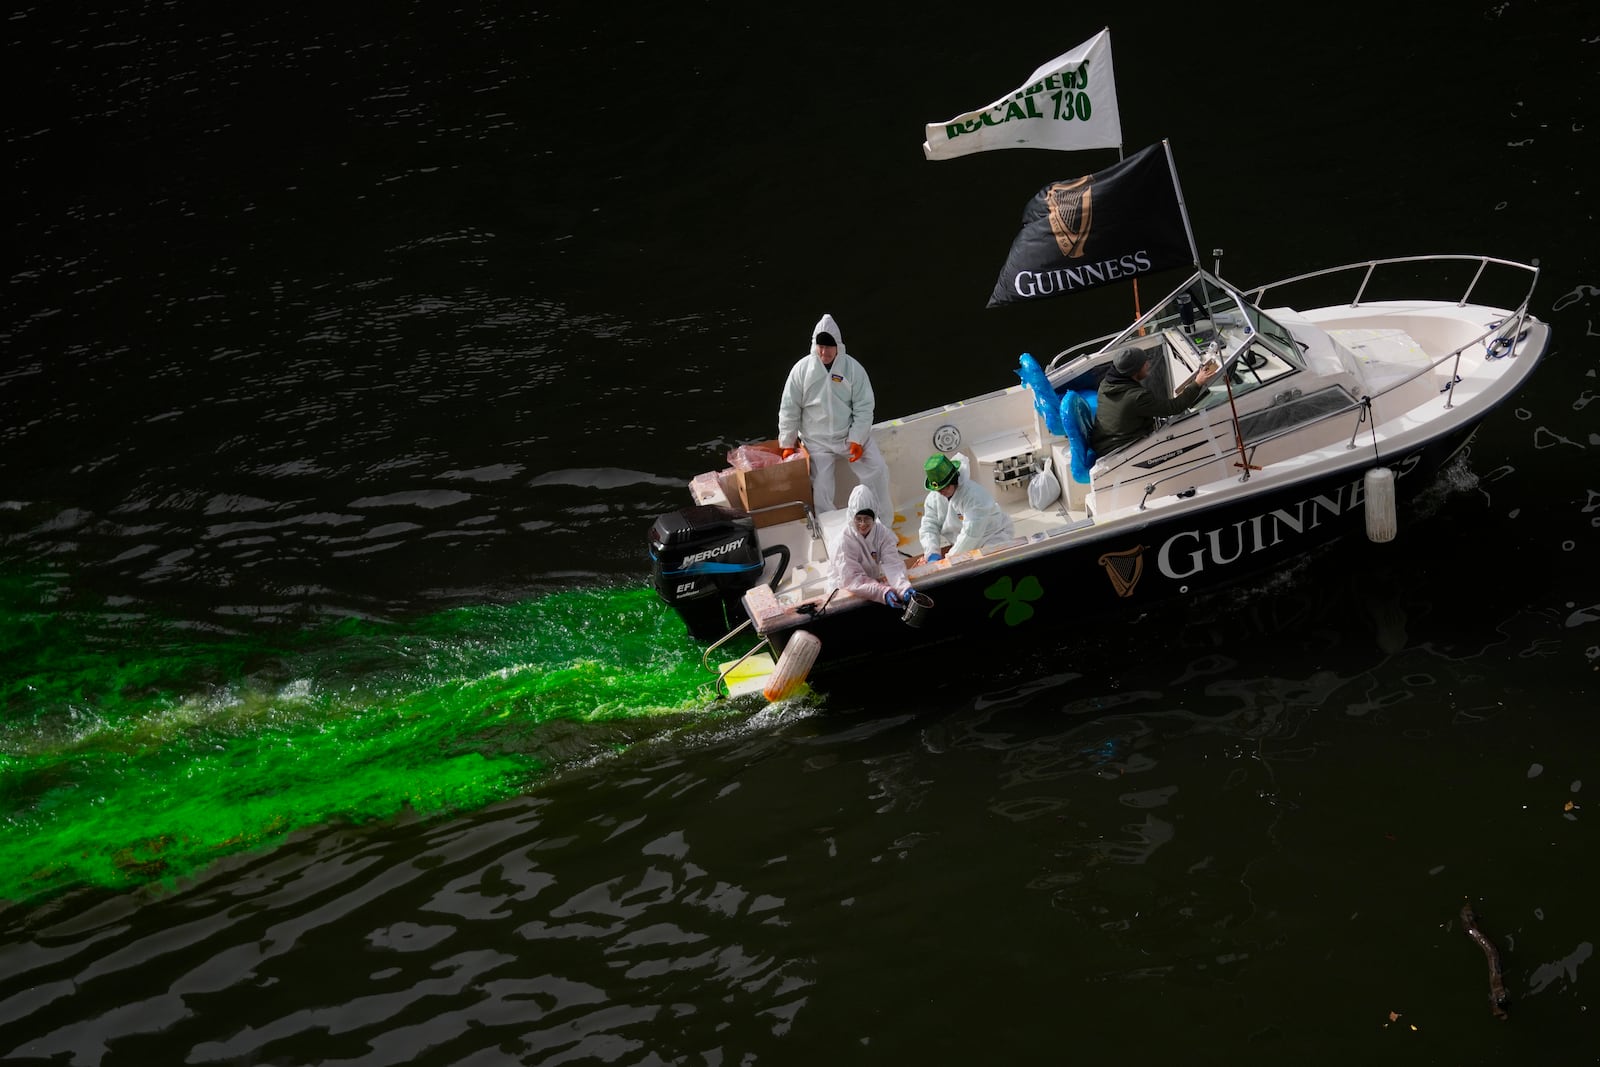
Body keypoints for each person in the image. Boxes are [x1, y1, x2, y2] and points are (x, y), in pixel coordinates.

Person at [777, 313, 893, 514]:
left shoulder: (853, 369)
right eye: (820, 346)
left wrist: (857, 438)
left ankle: (882, 521)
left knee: (878, 469)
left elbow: (864, 407)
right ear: (815, 345)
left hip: (848, 436)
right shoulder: (801, 370)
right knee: (821, 487)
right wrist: (787, 442)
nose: (824, 351)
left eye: (829, 346)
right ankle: (830, 527)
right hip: (816, 441)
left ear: (838, 345)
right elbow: (789, 408)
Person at [1089, 346, 1219, 455]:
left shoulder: (1106, 384)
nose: (1148, 365)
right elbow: (1175, 408)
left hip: (1102, 442)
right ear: (1134, 371)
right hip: (1120, 449)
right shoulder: (1136, 397)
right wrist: (1197, 383)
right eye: (1144, 364)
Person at [830, 485, 916, 609]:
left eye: (867, 519)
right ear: (851, 517)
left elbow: (892, 564)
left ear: (874, 517)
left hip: (871, 587)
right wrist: (882, 592)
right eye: (858, 519)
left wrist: (903, 587)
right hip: (844, 591)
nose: (863, 524)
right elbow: (852, 579)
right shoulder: (843, 542)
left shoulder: (882, 533)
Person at [918, 453, 1015, 563]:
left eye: (946, 487)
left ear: (954, 480)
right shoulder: (933, 499)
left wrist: (948, 559)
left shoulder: (974, 496)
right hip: (961, 546)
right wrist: (932, 554)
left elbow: (971, 533)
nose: (942, 492)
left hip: (992, 538)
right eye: (939, 489)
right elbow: (929, 526)